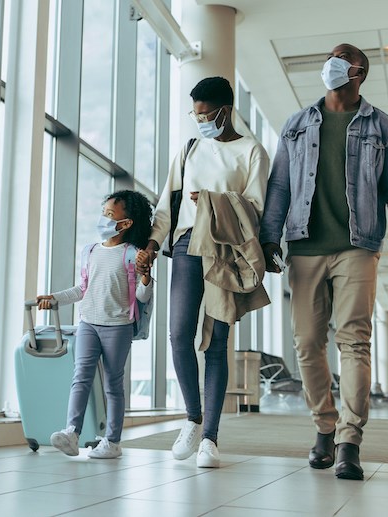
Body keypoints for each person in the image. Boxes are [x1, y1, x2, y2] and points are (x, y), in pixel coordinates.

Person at [259, 43, 388, 480]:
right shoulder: (296, 123)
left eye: (339, 61)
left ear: (358, 73)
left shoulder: (383, 127)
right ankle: (324, 427)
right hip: (305, 247)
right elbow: (279, 186)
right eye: (328, 59)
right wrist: (267, 237)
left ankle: (350, 438)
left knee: (354, 340)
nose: (328, 66)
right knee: (308, 343)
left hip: (358, 245)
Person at [138, 77, 269, 468]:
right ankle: (192, 418)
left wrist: (214, 203)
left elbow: (257, 210)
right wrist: (151, 244)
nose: (199, 121)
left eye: (204, 114)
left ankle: (210, 437)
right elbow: (167, 204)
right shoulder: (191, 148)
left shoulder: (252, 152)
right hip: (184, 246)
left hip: (224, 252)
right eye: (194, 114)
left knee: (216, 342)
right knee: (179, 333)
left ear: (224, 111)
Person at [39, 190, 154, 459]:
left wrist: (147, 279)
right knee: (80, 377)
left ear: (125, 224)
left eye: (109, 215)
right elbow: (83, 289)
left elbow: (141, 297)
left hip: (118, 326)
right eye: (103, 214)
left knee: (113, 384)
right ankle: (72, 432)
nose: (103, 220)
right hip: (88, 323)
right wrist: (54, 298)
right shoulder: (90, 251)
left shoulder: (132, 255)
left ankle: (112, 442)